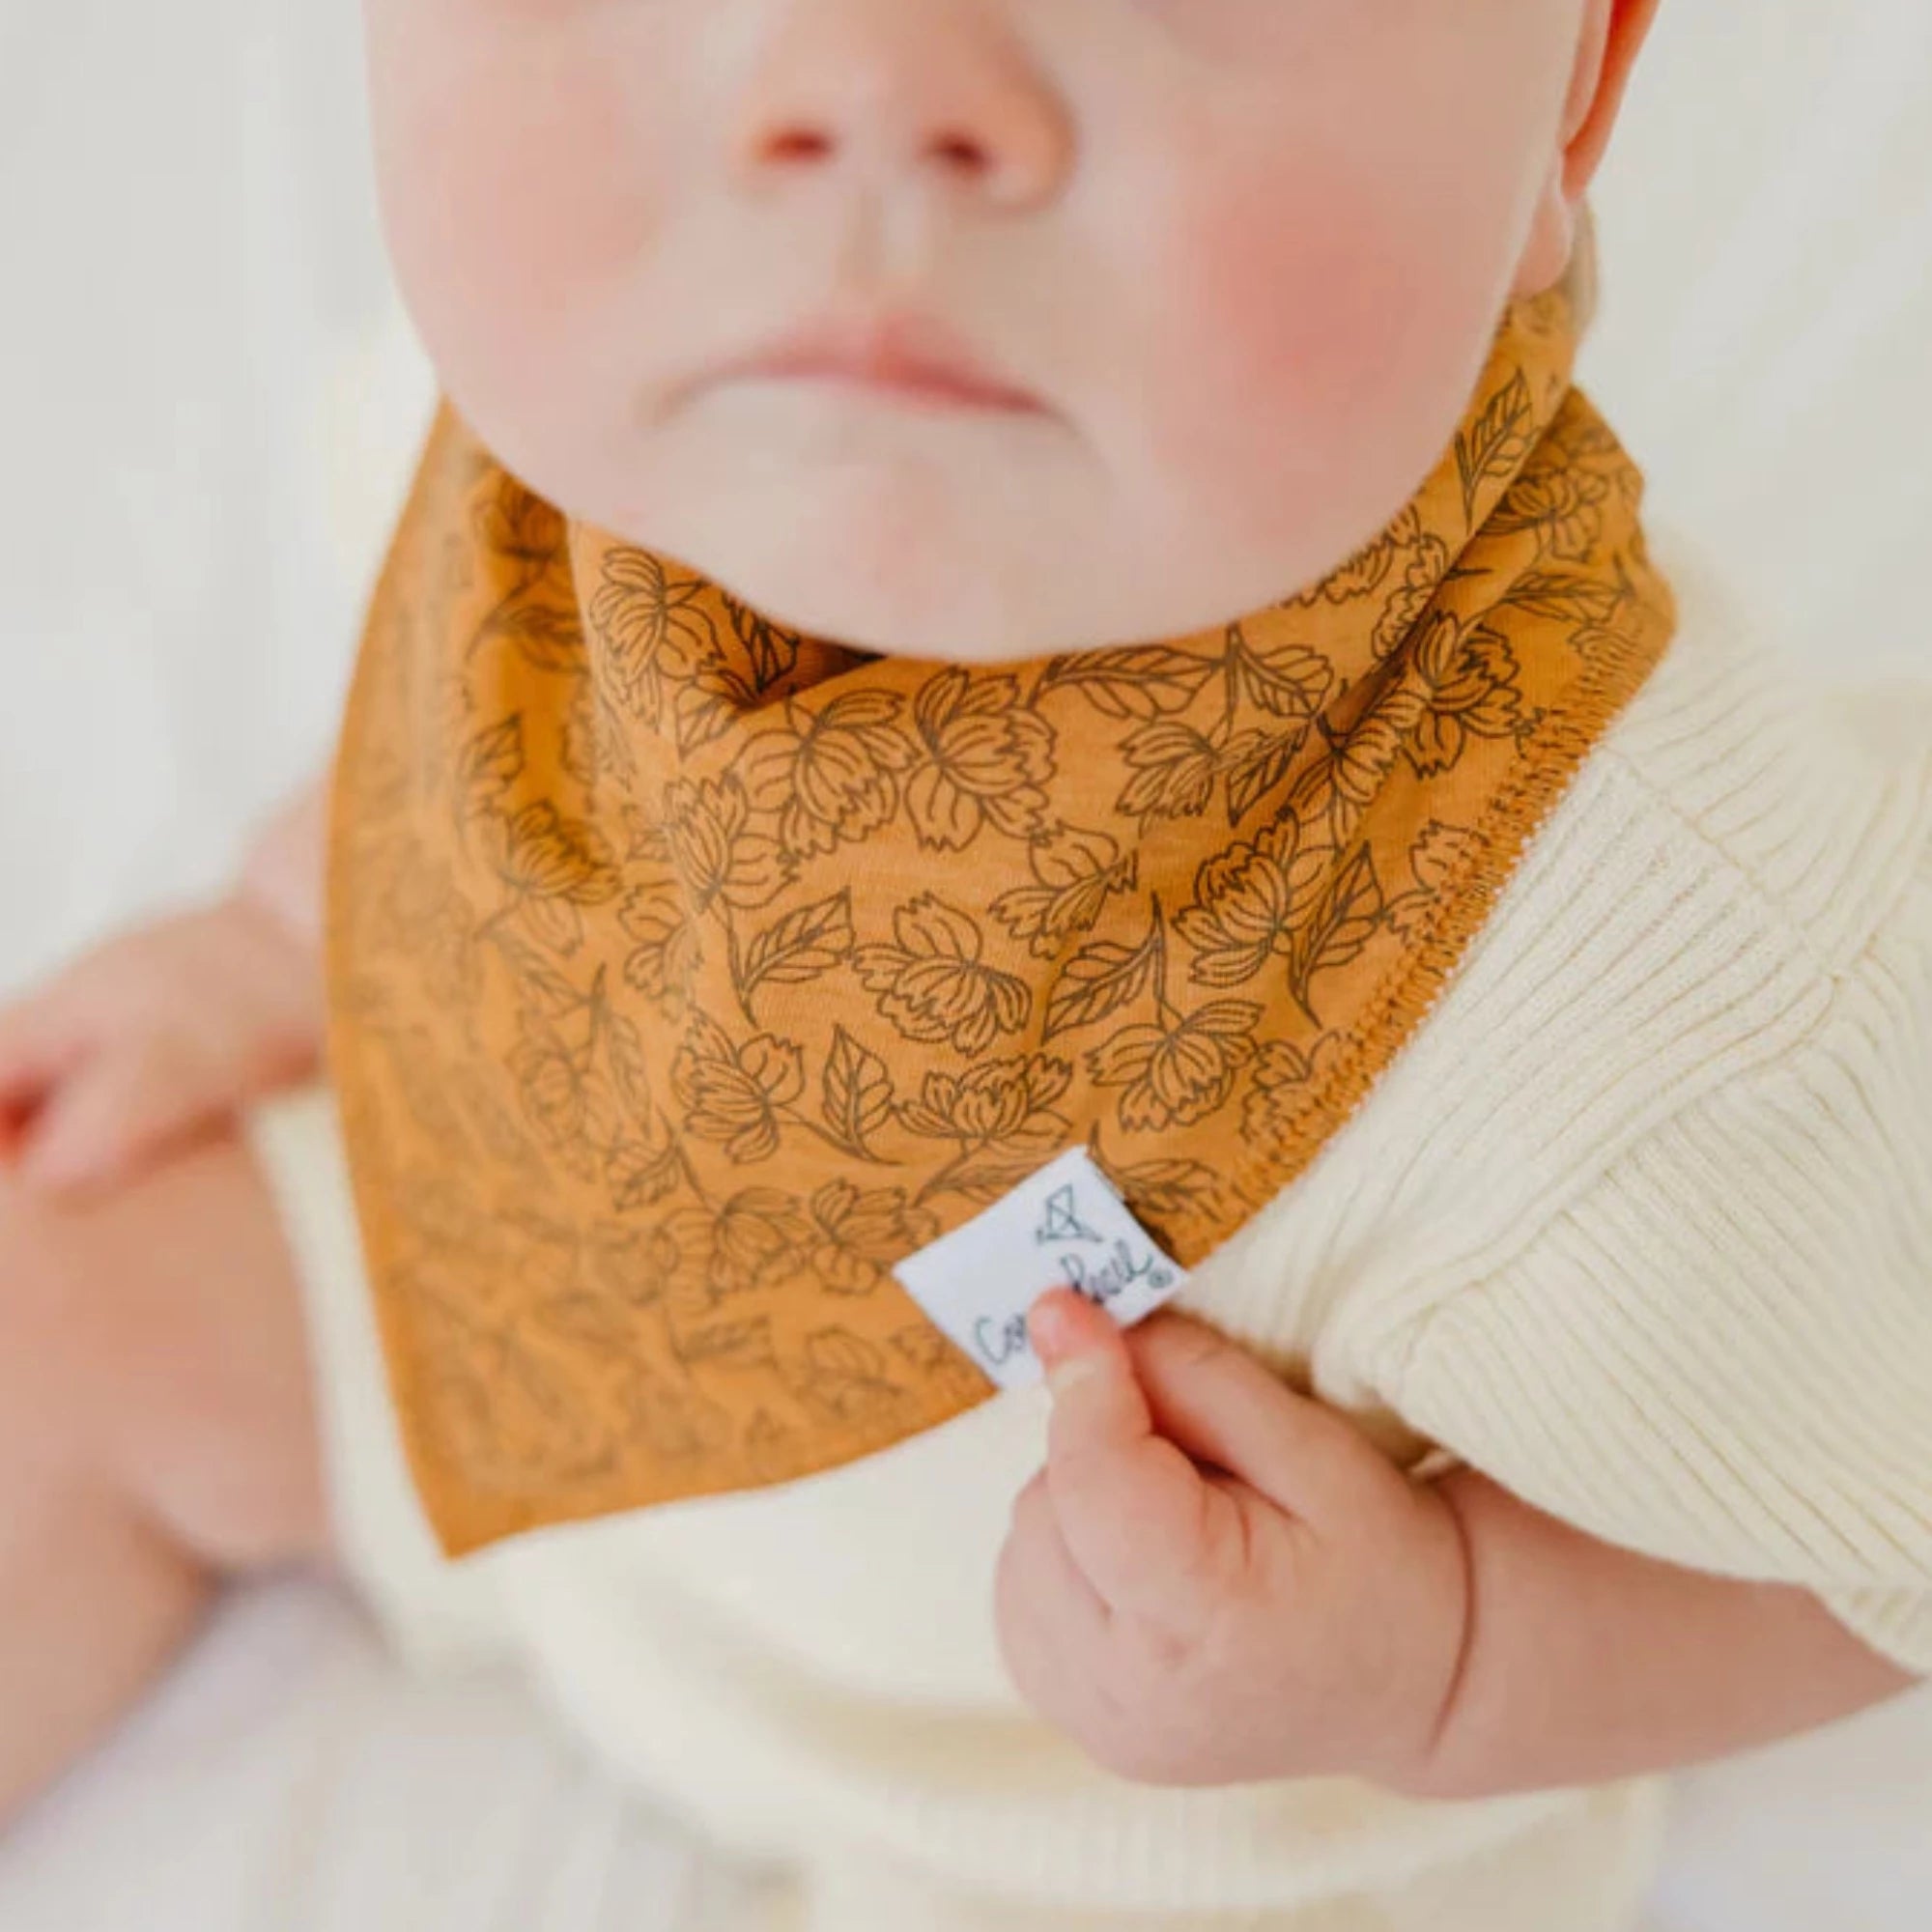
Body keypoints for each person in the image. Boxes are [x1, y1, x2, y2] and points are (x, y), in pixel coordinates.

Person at [3, 2, 1928, 1925]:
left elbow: (1876, 1542)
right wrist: (288, 923)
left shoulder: (1669, 985)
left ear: (1572, 93)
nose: (869, 84)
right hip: (509, 1337)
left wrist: (1439, 1646)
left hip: (1109, 1793)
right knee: (53, 1283)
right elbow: (478, 711)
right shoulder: (627, 382)